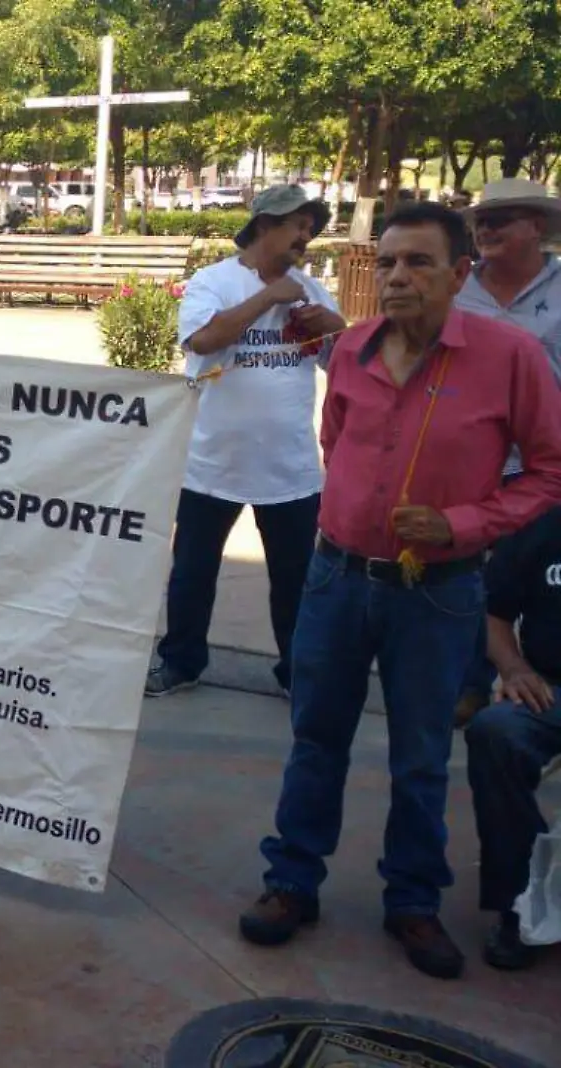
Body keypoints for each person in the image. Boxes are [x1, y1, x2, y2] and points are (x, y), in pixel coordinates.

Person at [239, 202, 561, 981]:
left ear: (460, 274)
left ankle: (412, 901)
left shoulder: (509, 356)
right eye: (386, 263)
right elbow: (337, 440)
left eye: (418, 263)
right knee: (317, 738)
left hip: (441, 593)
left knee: (420, 753)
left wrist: (461, 523)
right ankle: (292, 882)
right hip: (337, 577)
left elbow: (550, 470)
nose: (397, 278)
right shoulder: (350, 349)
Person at [148, 186, 344, 699]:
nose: (306, 236)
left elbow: (345, 368)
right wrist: (266, 300)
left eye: (310, 227)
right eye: (297, 225)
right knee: (193, 571)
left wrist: (335, 331)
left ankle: (298, 673)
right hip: (213, 462)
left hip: (290, 469)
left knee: (297, 580)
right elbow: (202, 342)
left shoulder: (313, 290)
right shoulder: (213, 282)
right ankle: (181, 661)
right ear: (264, 226)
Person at [453, 178, 561, 721]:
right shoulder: (456, 288)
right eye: (482, 221)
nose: (487, 229)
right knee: (466, 575)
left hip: (543, 468)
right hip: (469, 461)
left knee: (539, 580)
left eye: (502, 219)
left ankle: (538, 690)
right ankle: (470, 685)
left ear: (536, 228)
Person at [465, 503, 561, 971]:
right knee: (495, 732)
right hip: (550, 689)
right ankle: (519, 899)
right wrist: (514, 667)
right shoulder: (544, 523)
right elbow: (492, 610)